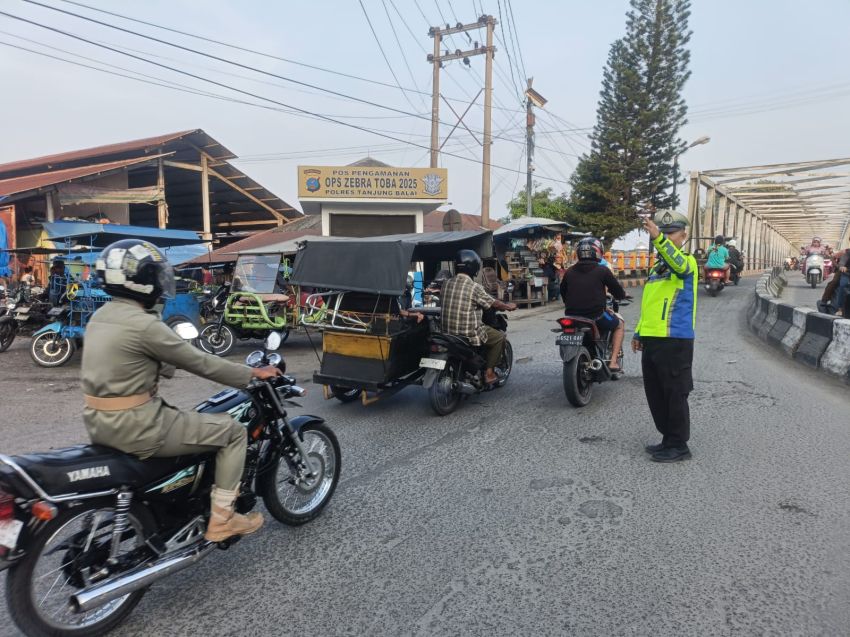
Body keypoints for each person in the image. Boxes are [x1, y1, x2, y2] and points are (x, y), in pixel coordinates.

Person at [82, 239, 281, 542]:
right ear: (143, 282)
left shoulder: (101, 317)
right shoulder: (144, 325)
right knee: (231, 432)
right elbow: (202, 363)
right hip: (138, 426)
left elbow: (144, 365)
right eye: (156, 277)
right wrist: (252, 373)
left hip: (99, 423)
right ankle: (223, 520)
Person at [631, 211, 698, 463]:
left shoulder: (686, 263)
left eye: (672, 234)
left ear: (684, 235)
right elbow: (650, 303)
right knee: (656, 392)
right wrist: (639, 332)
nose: (668, 238)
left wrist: (658, 238)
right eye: (664, 233)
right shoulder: (658, 268)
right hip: (653, 338)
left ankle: (679, 445)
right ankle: (667, 438)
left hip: (675, 339)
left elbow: (678, 265)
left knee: (675, 393)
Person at [441, 250, 517, 385]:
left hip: (447, 332)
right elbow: (493, 303)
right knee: (499, 338)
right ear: (474, 268)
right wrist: (507, 306)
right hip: (468, 333)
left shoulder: (446, 283)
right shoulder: (474, 287)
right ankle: (489, 374)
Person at [559, 237, 627, 372]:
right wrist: (622, 296)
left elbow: (563, 293)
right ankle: (613, 362)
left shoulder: (570, 272)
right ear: (598, 252)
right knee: (619, 324)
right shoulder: (602, 270)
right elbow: (618, 292)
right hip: (597, 316)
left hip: (572, 317)